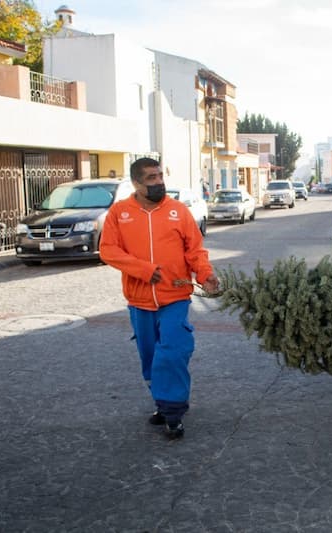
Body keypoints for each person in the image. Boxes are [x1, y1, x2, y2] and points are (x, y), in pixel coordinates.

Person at [100, 157, 219, 438]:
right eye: (151, 178)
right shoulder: (120, 213)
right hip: (139, 300)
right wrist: (143, 270)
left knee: (173, 351)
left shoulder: (178, 211)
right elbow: (108, 250)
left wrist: (205, 275)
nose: (158, 182)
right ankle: (162, 401)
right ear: (136, 183)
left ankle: (174, 412)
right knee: (150, 356)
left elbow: (195, 250)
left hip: (175, 296)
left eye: (159, 176)